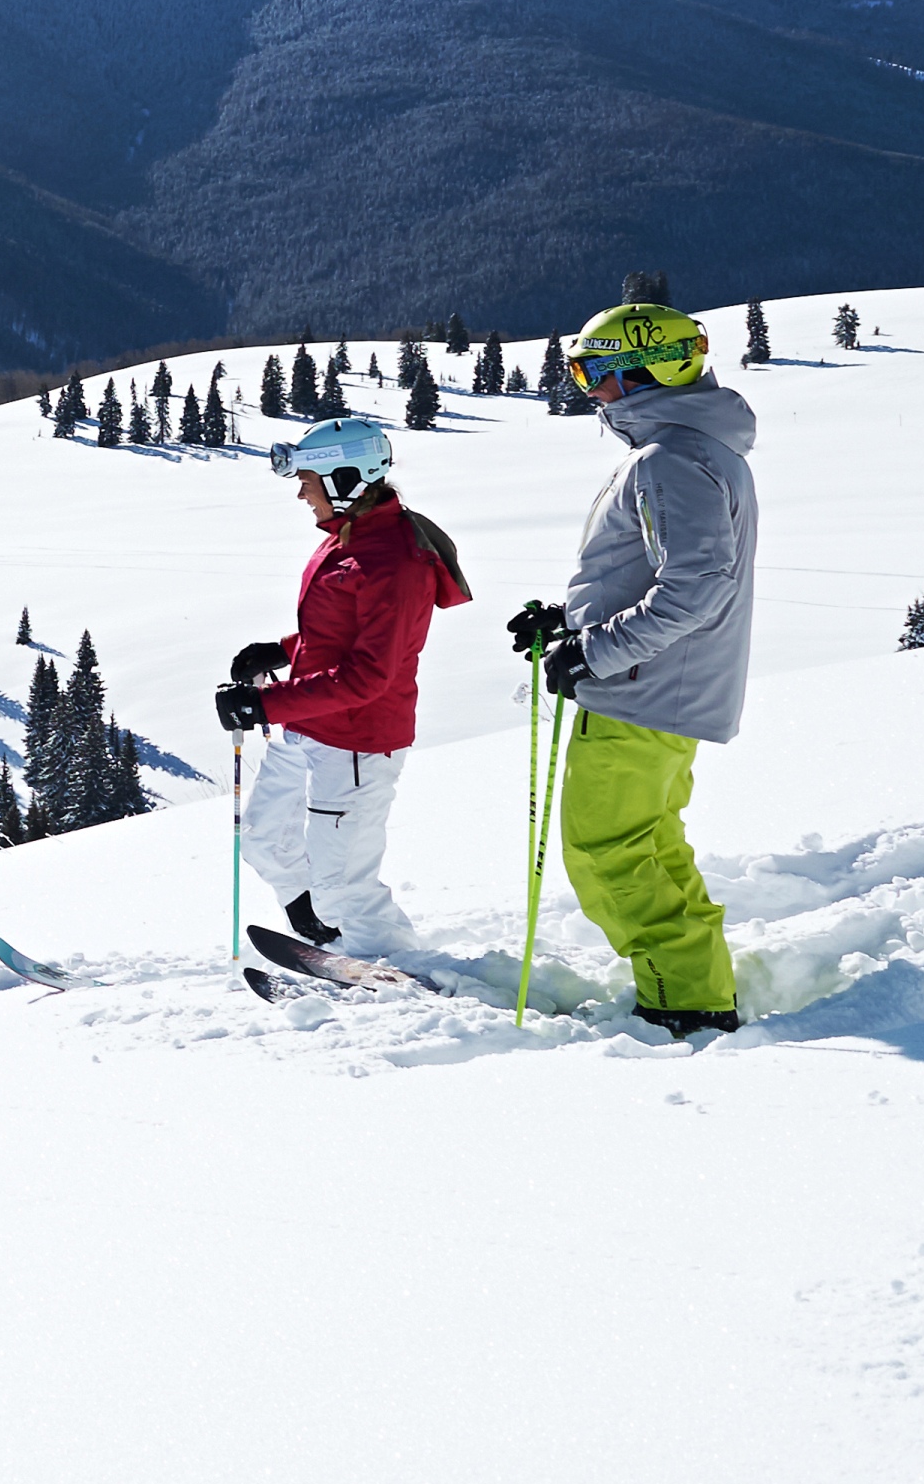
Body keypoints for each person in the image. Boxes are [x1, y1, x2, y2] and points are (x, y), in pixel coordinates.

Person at [504, 295, 759, 1038]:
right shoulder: (696, 449)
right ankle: (697, 985)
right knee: (650, 843)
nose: (589, 392)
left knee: (606, 850)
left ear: (644, 374)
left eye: (596, 374)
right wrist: (571, 624)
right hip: (662, 689)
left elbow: (695, 587)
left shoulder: (671, 459)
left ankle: (684, 1005)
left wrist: (596, 652)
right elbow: (664, 573)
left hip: (641, 695)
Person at [217, 413, 472, 955]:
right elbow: (338, 632)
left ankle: (400, 968)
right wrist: (282, 651)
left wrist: (265, 705)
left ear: (344, 479)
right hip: (309, 724)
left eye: (307, 482)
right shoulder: (347, 537)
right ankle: (326, 935)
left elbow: (369, 675)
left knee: (344, 888)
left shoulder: (396, 561)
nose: (302, 495)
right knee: (264, 839)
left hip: (356, 741)